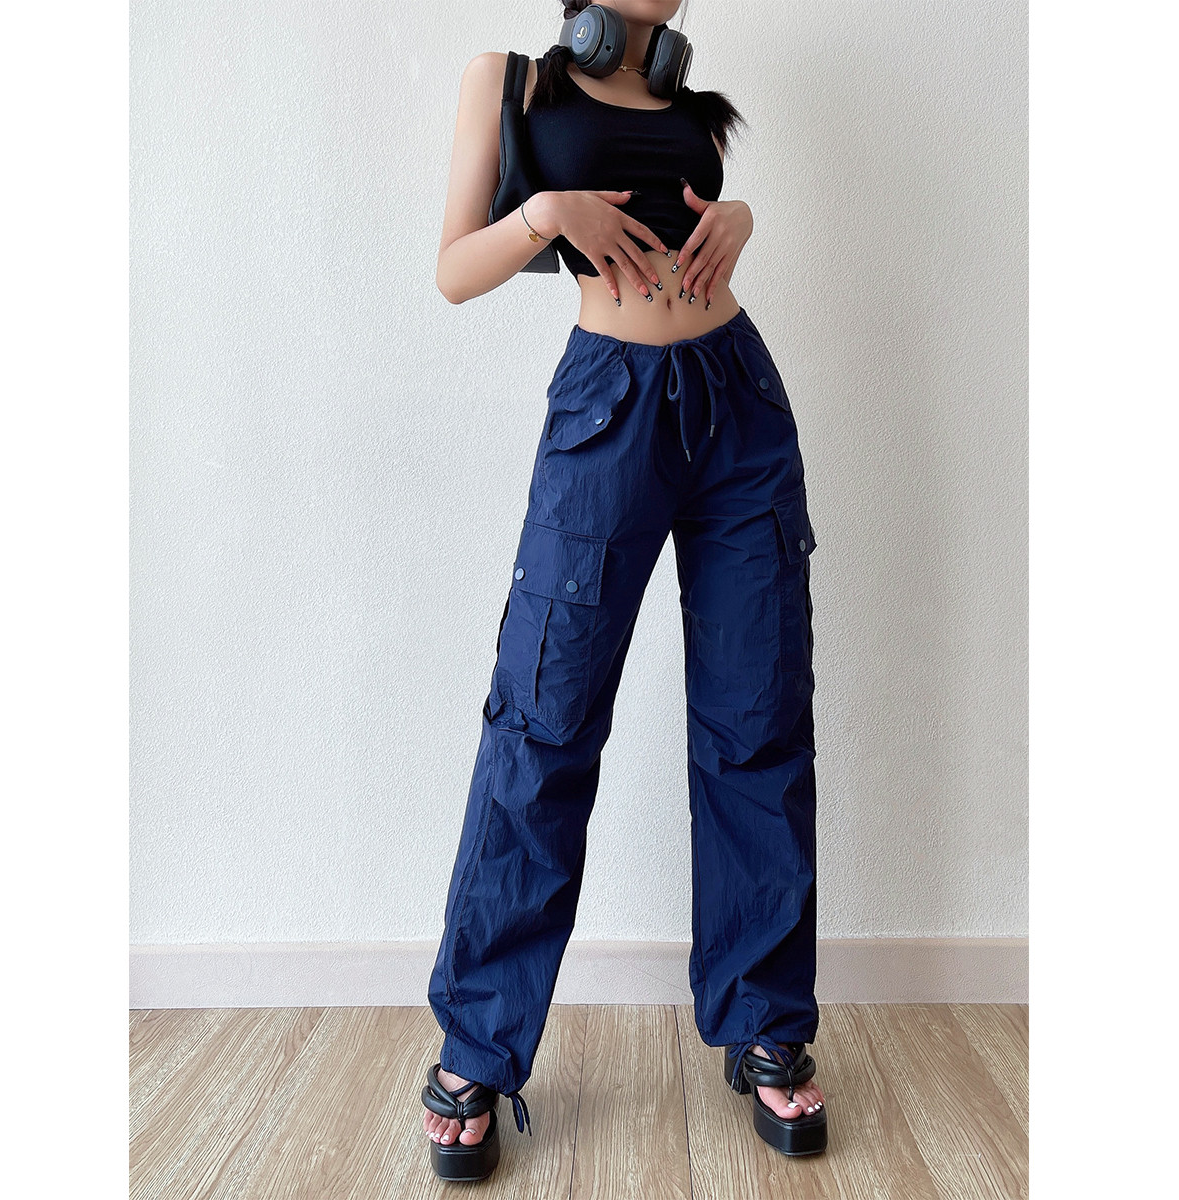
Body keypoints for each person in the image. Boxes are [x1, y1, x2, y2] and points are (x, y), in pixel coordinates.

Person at [421, 2, 826, 1181]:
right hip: (609, 412)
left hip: (739, 402)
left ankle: (766, 1022)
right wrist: (546, 214)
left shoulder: (688, 103)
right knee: (543, 722)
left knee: (759, 720)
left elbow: (704, 228)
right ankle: (479, 1042)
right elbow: (452, 270)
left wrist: (739, 216)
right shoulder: (511, 82)